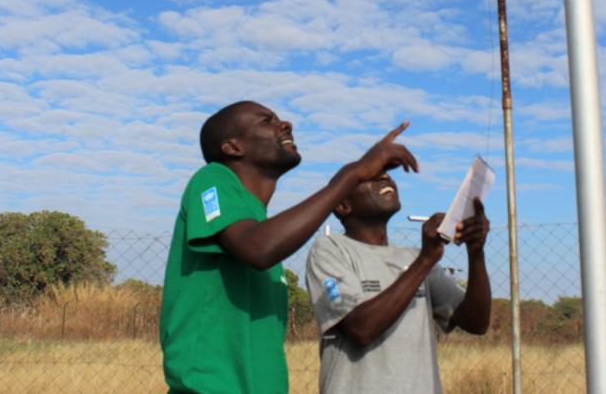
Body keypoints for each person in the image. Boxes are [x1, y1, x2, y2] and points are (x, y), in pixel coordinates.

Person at [159, 100, 419, 394]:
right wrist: (354, 174)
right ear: (232, 148)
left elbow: (266, 241)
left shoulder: (259, 222)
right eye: (266, 121)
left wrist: (352, 176)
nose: (286, 124)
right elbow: (257, 248)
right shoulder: (212, 178)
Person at [304, 169, 492, 393]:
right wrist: (425, 260)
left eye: (386, 174)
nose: (385, 178)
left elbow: (476, 323)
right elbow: (361, 328)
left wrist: (476, 251)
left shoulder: (413, 258)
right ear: (344, 205)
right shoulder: (330, 251)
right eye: (368, 177)